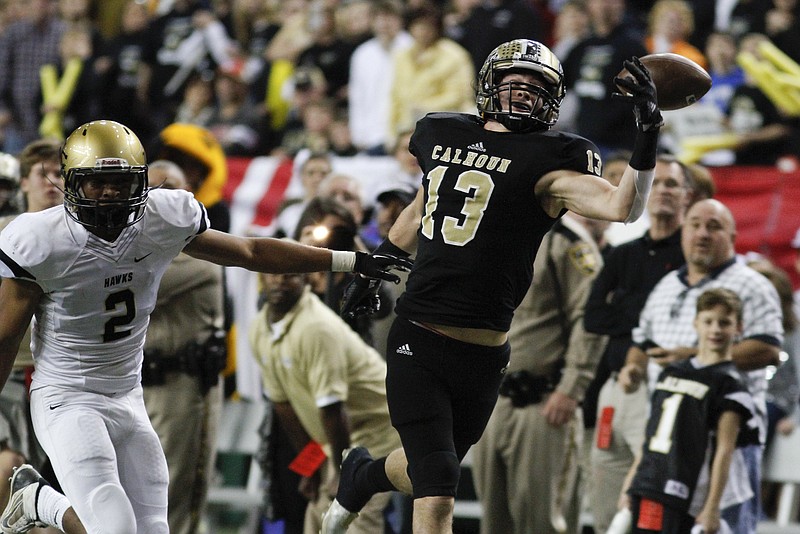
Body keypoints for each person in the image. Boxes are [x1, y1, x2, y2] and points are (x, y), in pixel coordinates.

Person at [320, 38, 666, 534]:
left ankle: (364, 475)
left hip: (485, 354)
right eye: (514, 83)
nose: (524, 94)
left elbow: (622, 208)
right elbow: (421, 209)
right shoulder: (444, 135)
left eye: (536, 87)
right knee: (439, 482)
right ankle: (365, 476)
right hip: (419, 334)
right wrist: (378, 265)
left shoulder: (552, 161)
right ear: (489, 86)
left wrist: (647, 134)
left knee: (427, 470)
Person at [0, 119, 412, 534]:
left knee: (154, 529)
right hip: (67, 394)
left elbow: (250, 251)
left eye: (119, 182)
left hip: (126, 392)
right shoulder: (42, 241)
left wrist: (351, 259)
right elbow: (4, 338)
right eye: (96, 182)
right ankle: (41, 502)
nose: (108, 193)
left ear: (140, 184)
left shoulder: (162, 219)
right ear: (71, 183)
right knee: (114, 525)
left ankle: (37, 496)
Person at [618, 198, 784, 534]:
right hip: (667, 440)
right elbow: (642, 341)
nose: (702, 233)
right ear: (683, 233)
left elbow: (768, 349)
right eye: (694, 225)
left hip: (729, 441)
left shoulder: (753, 285)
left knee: (723, 525)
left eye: (714, 226)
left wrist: (691, 359)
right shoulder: (666, 285)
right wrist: (633, 368)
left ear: (733, 236)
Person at [471, 212, 606, 534]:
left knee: (542, 521)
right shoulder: (488, 232)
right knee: (493, 519)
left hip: (543, 400)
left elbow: (591, 317)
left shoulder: (566, 241)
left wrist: (572, 387)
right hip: (491, 399)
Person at [583, 153, 692, 533]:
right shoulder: (623, 252)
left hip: (667, 388)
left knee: (652, 503)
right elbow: (593, 316)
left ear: (687, 196)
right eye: (656, 183)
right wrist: (647, 319)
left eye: (672, 184)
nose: (662, 191)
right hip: (617, 387)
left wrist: (629, 315)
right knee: (604, 497)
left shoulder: (691, 256)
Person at [249, 266, 402, 534]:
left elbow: (332, 409)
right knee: (318, 516)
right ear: (262, 277)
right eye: (272, 273)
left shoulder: (316, 327)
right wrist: (309, 467)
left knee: (355, 518)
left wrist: (342, 473)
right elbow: (284, 407)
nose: (280, 280)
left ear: (305, 278)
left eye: (289, 274)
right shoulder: (260, 329)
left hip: (378, 429)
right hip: (337, 437)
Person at [618, 288, 758, 534]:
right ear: (696, 323)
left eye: (724, 323)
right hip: (649, 482)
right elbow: (650, 435)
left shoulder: (731, 387)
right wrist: (630, 484)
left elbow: (724, 451)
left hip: (687, 492)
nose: (715, 329)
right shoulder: (671, 372)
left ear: (739, 328)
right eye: (708, 321)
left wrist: (713, 506)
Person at [139, 160, 226, 534]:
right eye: (151, 188)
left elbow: (130, 280)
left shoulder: (201, 253)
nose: (160, 195)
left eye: (170, 187)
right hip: (136, 384)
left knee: (174, 497)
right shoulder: (136, 248)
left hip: (182, 387)